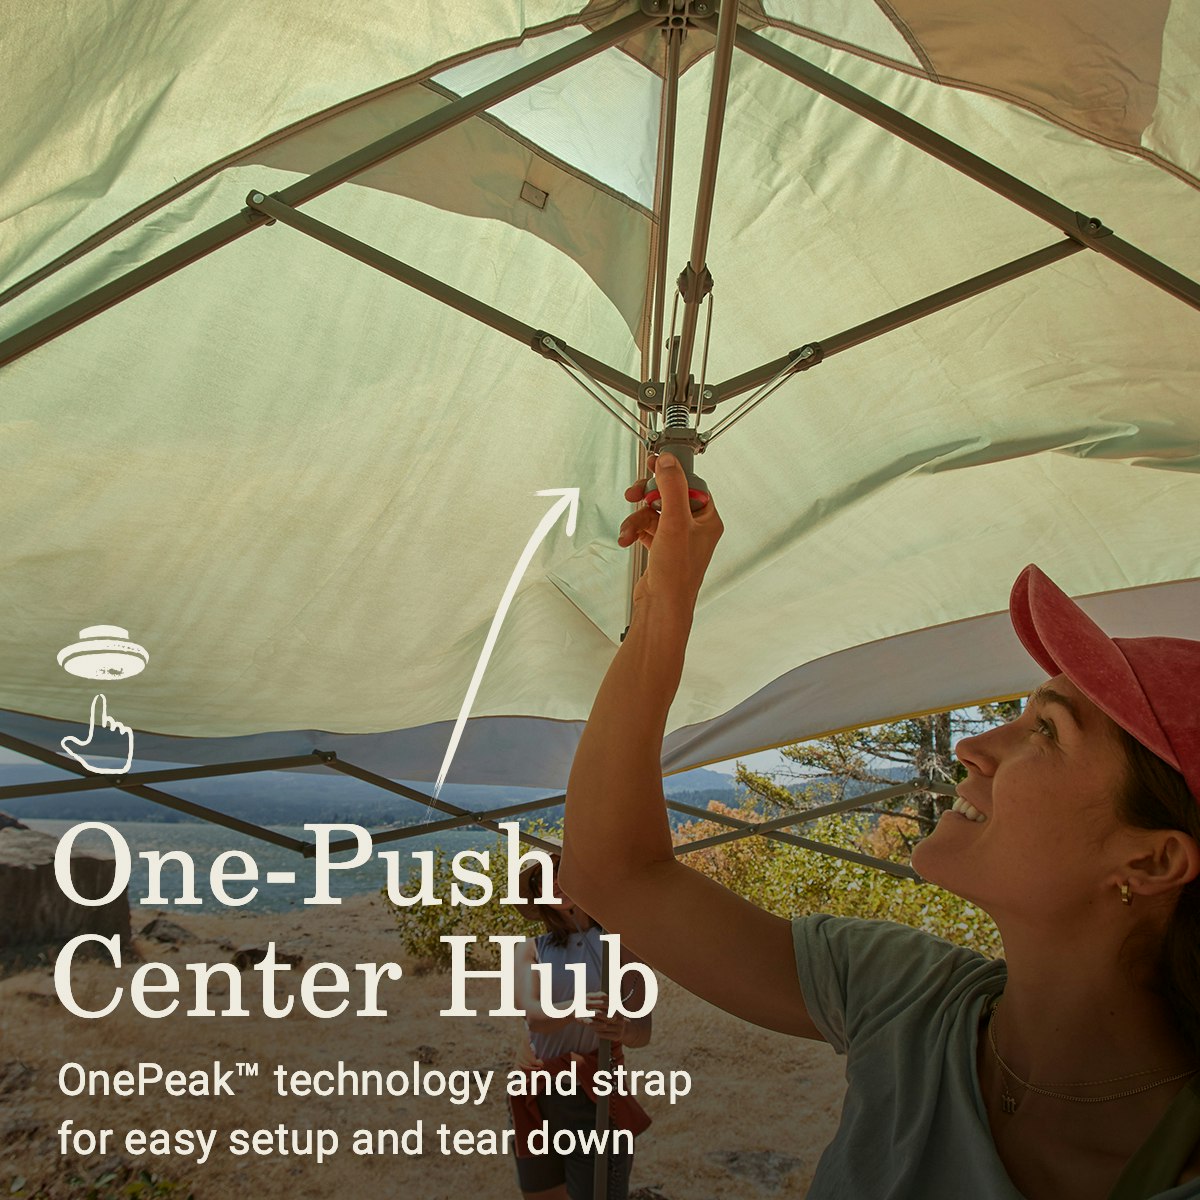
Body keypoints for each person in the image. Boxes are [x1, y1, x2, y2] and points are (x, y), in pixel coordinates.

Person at [560, 450, 1200, 1200]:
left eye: (1047, 732)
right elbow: (613, 872)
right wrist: (666, 601)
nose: (972, 747)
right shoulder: (908, 996)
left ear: (1153, 862)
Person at [509, 852, 652, 1200]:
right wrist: (576, 1008)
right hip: (535, 1092)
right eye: (541, 879)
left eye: (560, 871)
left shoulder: (623, 946)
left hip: (592, 1095)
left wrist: (622, 1030)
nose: (553, 883)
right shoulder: (531, 950)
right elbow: (534, 1017)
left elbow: (643, 1030)